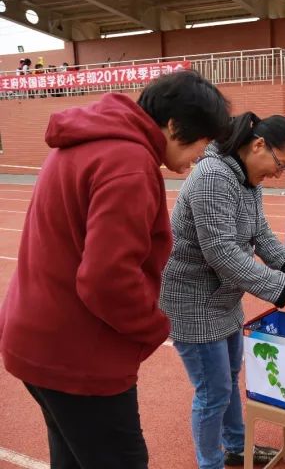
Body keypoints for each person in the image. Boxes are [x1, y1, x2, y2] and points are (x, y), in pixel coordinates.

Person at [0, 71, 230, 469]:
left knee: (73, 458)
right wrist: (154, 327)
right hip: (78, 355)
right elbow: (107, 279)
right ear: (174, 126)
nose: (201, 155)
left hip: (36, 339)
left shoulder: (86, 141)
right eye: (203, 142)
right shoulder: (129, 162)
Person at [160, 113, 285, 469]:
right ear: (259, 145)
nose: (278, 174)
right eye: (280, 164)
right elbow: (221, 251)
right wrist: (283, 288)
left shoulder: (248, 179)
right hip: (193, 301)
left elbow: (259, 231)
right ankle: (210, 462)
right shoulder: (213, 176)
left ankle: (235, 446)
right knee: (213, 391)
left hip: (224, 297)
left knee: (229, 379)